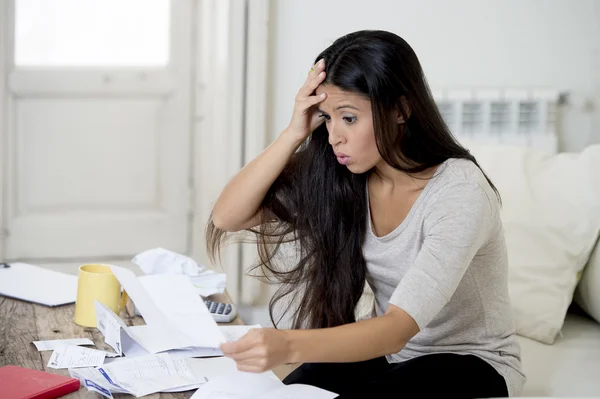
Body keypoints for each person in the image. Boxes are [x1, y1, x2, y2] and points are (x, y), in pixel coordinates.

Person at [206, 30, 525, 398]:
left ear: (401, 110)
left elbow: (397, 328)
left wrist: (287, 346)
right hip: (394, 356)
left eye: (349, 118)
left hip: (474, 363)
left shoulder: (460, 193)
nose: (333, 136)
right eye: (326, 117)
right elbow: (227, 216)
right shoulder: (346, 176)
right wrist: (293, 132)